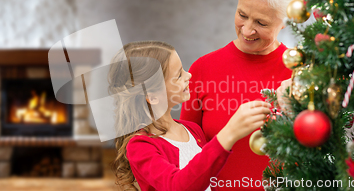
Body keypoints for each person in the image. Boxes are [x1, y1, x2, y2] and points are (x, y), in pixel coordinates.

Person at [180, 0, 299, 190]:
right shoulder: (203, 69)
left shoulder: (301, 74)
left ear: (284, 22)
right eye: (242, 14)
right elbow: (187, 154)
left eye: (261, 22)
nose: (247, 30)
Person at [111, 41, 271, 191]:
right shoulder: (140, 146)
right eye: (178, 75)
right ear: (152, 96)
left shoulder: (192, 130)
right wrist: (229, 133)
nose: (188, 76)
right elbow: (177, 186)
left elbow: (208, 175)